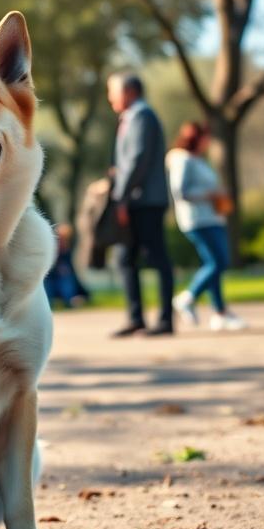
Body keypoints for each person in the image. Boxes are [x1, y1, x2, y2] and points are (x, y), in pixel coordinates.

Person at [107, 72, 175, 337]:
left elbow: (137, 160)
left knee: (157, 257)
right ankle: (136, 318)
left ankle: (165, 320)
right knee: (124, 258)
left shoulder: (142, 116)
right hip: (135, 199)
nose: (110, 97)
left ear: (129, 92)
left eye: (112, 91)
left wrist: (121, 198)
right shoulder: (131, 117)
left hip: (145, 201)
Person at [166, 122, 246, 331]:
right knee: (219, 262)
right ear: (196, 138)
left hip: (213, 218)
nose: (208, 142)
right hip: (197, 220)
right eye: (205, 138)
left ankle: (220, 313)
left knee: (214, 264)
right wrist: (208, 196)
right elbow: (180, 192)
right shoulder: (182, 160)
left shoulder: (199, 160)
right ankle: (188, 297)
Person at [44, 223, 90, 308]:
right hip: (50, 276)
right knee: (50, 283)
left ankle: (69, 301)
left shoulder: (67, 251)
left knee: (67, 280)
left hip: (63, 277)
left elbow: (71, 269)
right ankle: (49, 304)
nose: (62, 241)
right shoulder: (50, 249)